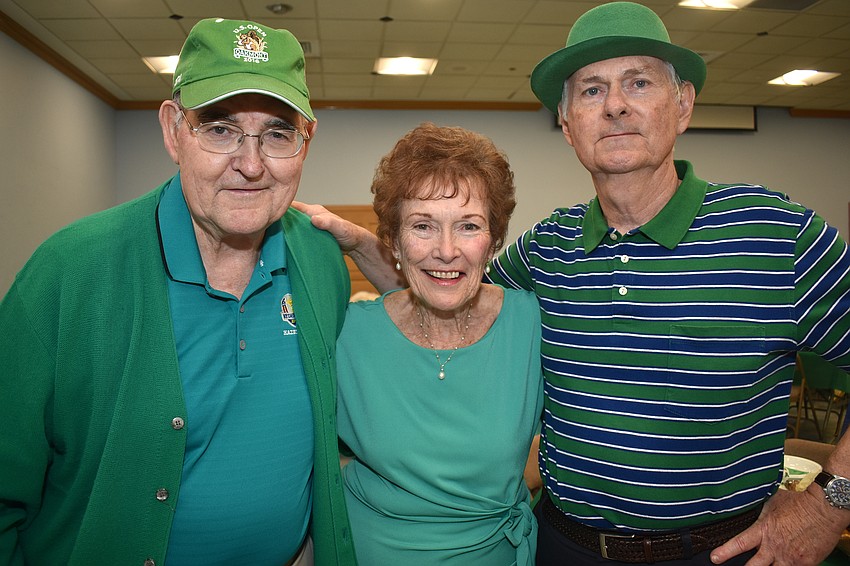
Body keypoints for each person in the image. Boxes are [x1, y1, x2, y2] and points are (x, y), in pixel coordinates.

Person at [299, 3, 850, 565]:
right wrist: (366, 242)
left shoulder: (774, 235)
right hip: (561, 546)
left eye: (638, 82)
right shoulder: (547, 248)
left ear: (682, 105)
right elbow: (448, 286)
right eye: (590, 90)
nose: (614, 105)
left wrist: (831, 502)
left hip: (717, 551)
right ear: (567, 124)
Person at [0, 18, 357, 566]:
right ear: (173, 131)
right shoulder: (70, 271)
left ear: (306, 142)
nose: (251, 164)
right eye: (220, 129)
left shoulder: (318, 256)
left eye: (278, 134)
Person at [335, 123, 544, 564]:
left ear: (493, 241)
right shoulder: (348, 334)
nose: (446, 250)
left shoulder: (531, 325)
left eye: (468, 226)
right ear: (392, 240)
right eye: (423, 226)